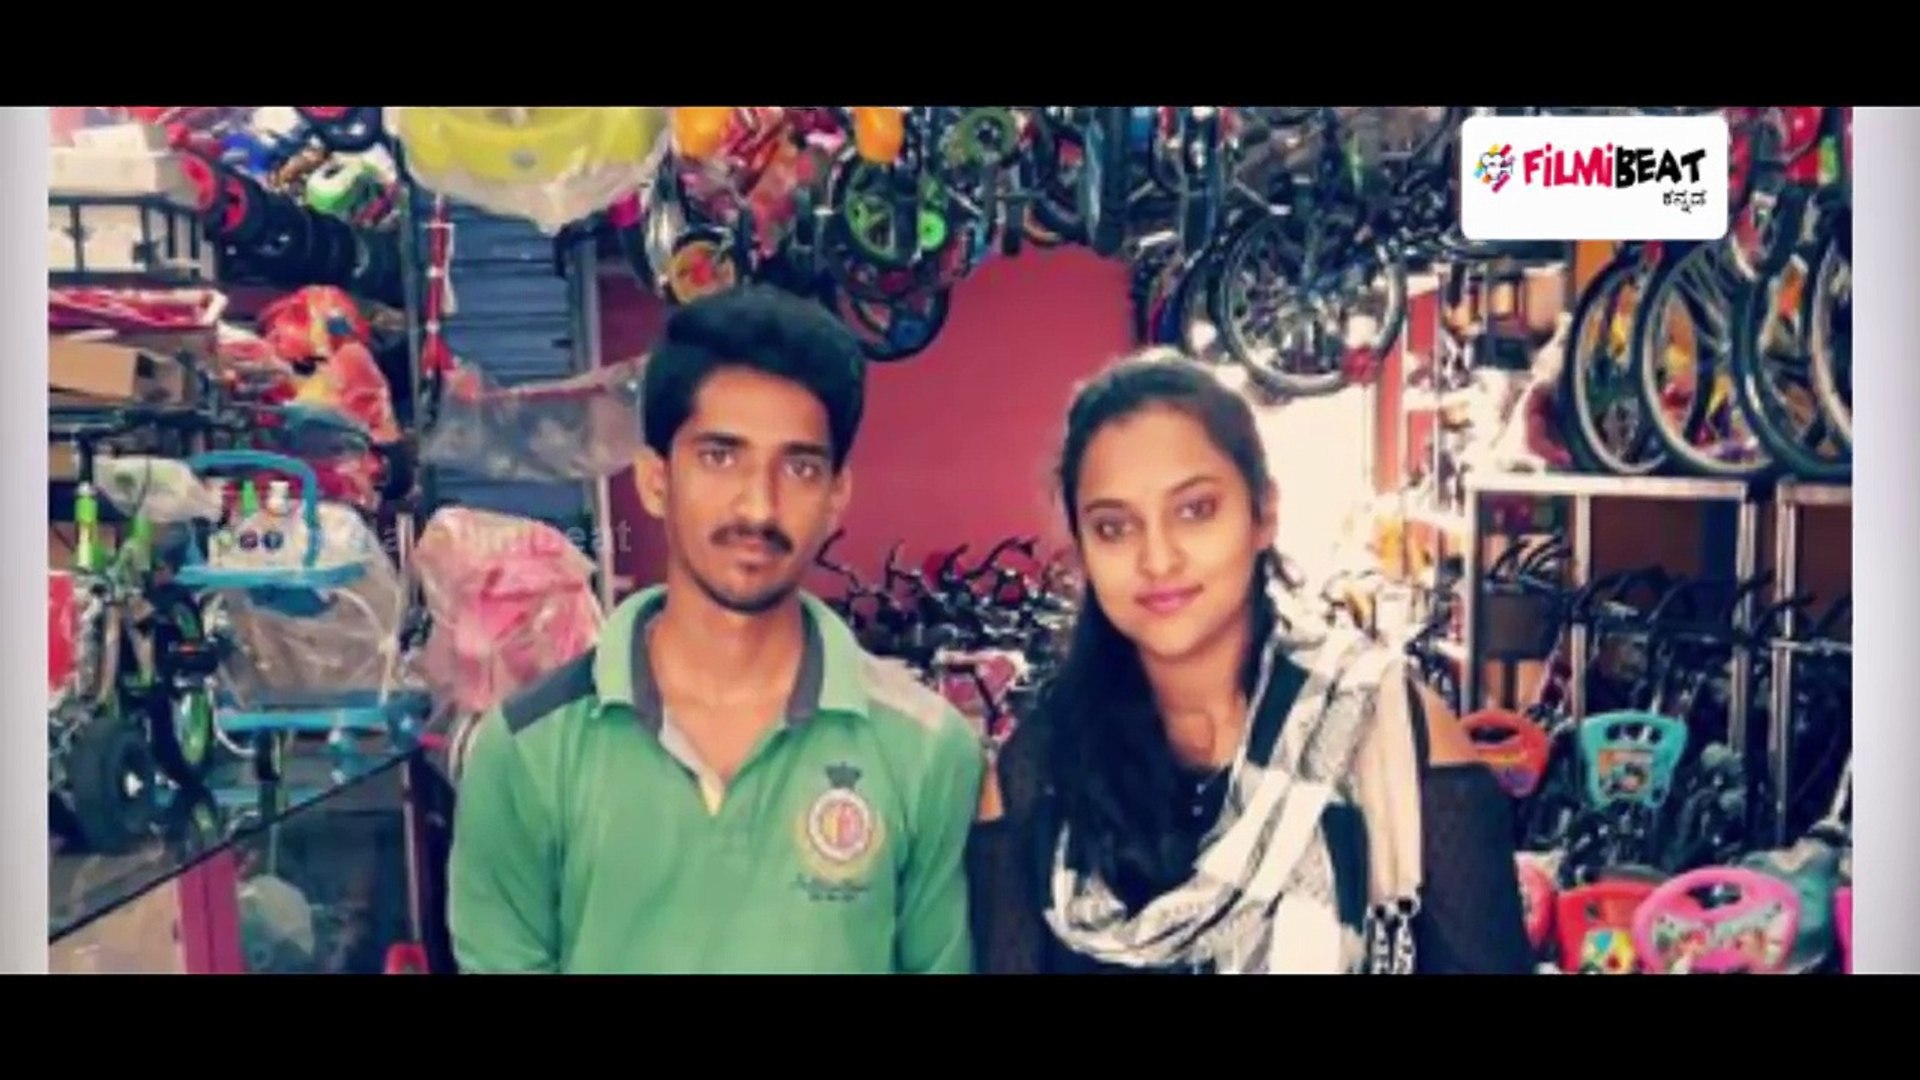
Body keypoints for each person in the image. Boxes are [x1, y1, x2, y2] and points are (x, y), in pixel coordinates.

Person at [448, 285, 986, 974]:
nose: (758, 506)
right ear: (655, 480)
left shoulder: (928, 749)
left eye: (799, 467)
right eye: (720, 456)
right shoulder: (526, 751)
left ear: (836, 497)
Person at [968, 351, 1533, 974]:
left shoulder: (1388, 731)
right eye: (1113, 528)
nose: (1158, 558)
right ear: (1082, 547)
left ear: (1263, 513)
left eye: (1195, 510)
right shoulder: (1035, 778)